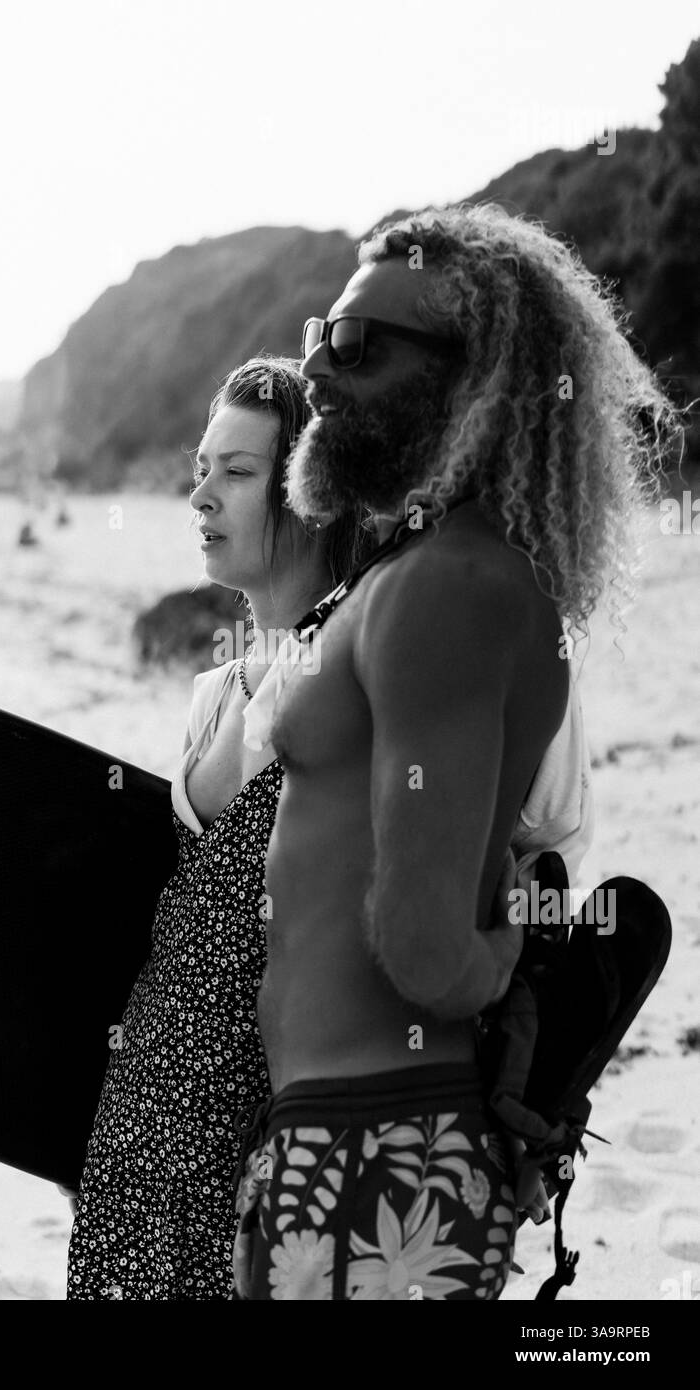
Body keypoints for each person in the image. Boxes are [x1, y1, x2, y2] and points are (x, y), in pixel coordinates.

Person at [231, 203, 681, 1301]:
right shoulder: (422, 572)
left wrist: (491, 963)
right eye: (318, 339)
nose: (320, 374)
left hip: (381, 1151)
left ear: (475, 377)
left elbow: (422, 948)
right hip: (342, 1142)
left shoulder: (451, 588)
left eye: (360, 346)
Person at [65, 356, 370, 1299]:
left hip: (292, 1103)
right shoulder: (214, 693)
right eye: (200, 468)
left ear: (310, 488)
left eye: (236, 472)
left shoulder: (367, 653)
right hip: (159, 1102)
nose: (201, 493)